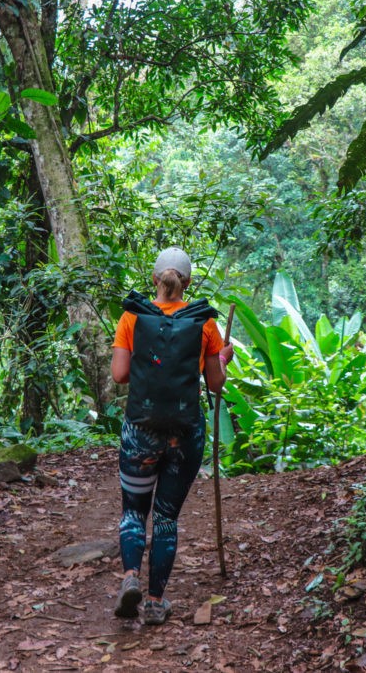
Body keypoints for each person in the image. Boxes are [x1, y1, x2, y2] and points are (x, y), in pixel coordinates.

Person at [109, 247, 234, 626]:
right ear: (188, 283)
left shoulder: (133, 316)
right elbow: (214, 383)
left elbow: (119, 375)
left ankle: (130, 577)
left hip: (139, 431)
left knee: (134, 512)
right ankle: (155, 601)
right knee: (165, 518)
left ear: (154, 281)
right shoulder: (204, 324)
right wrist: (221, 360)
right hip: (185, 432)